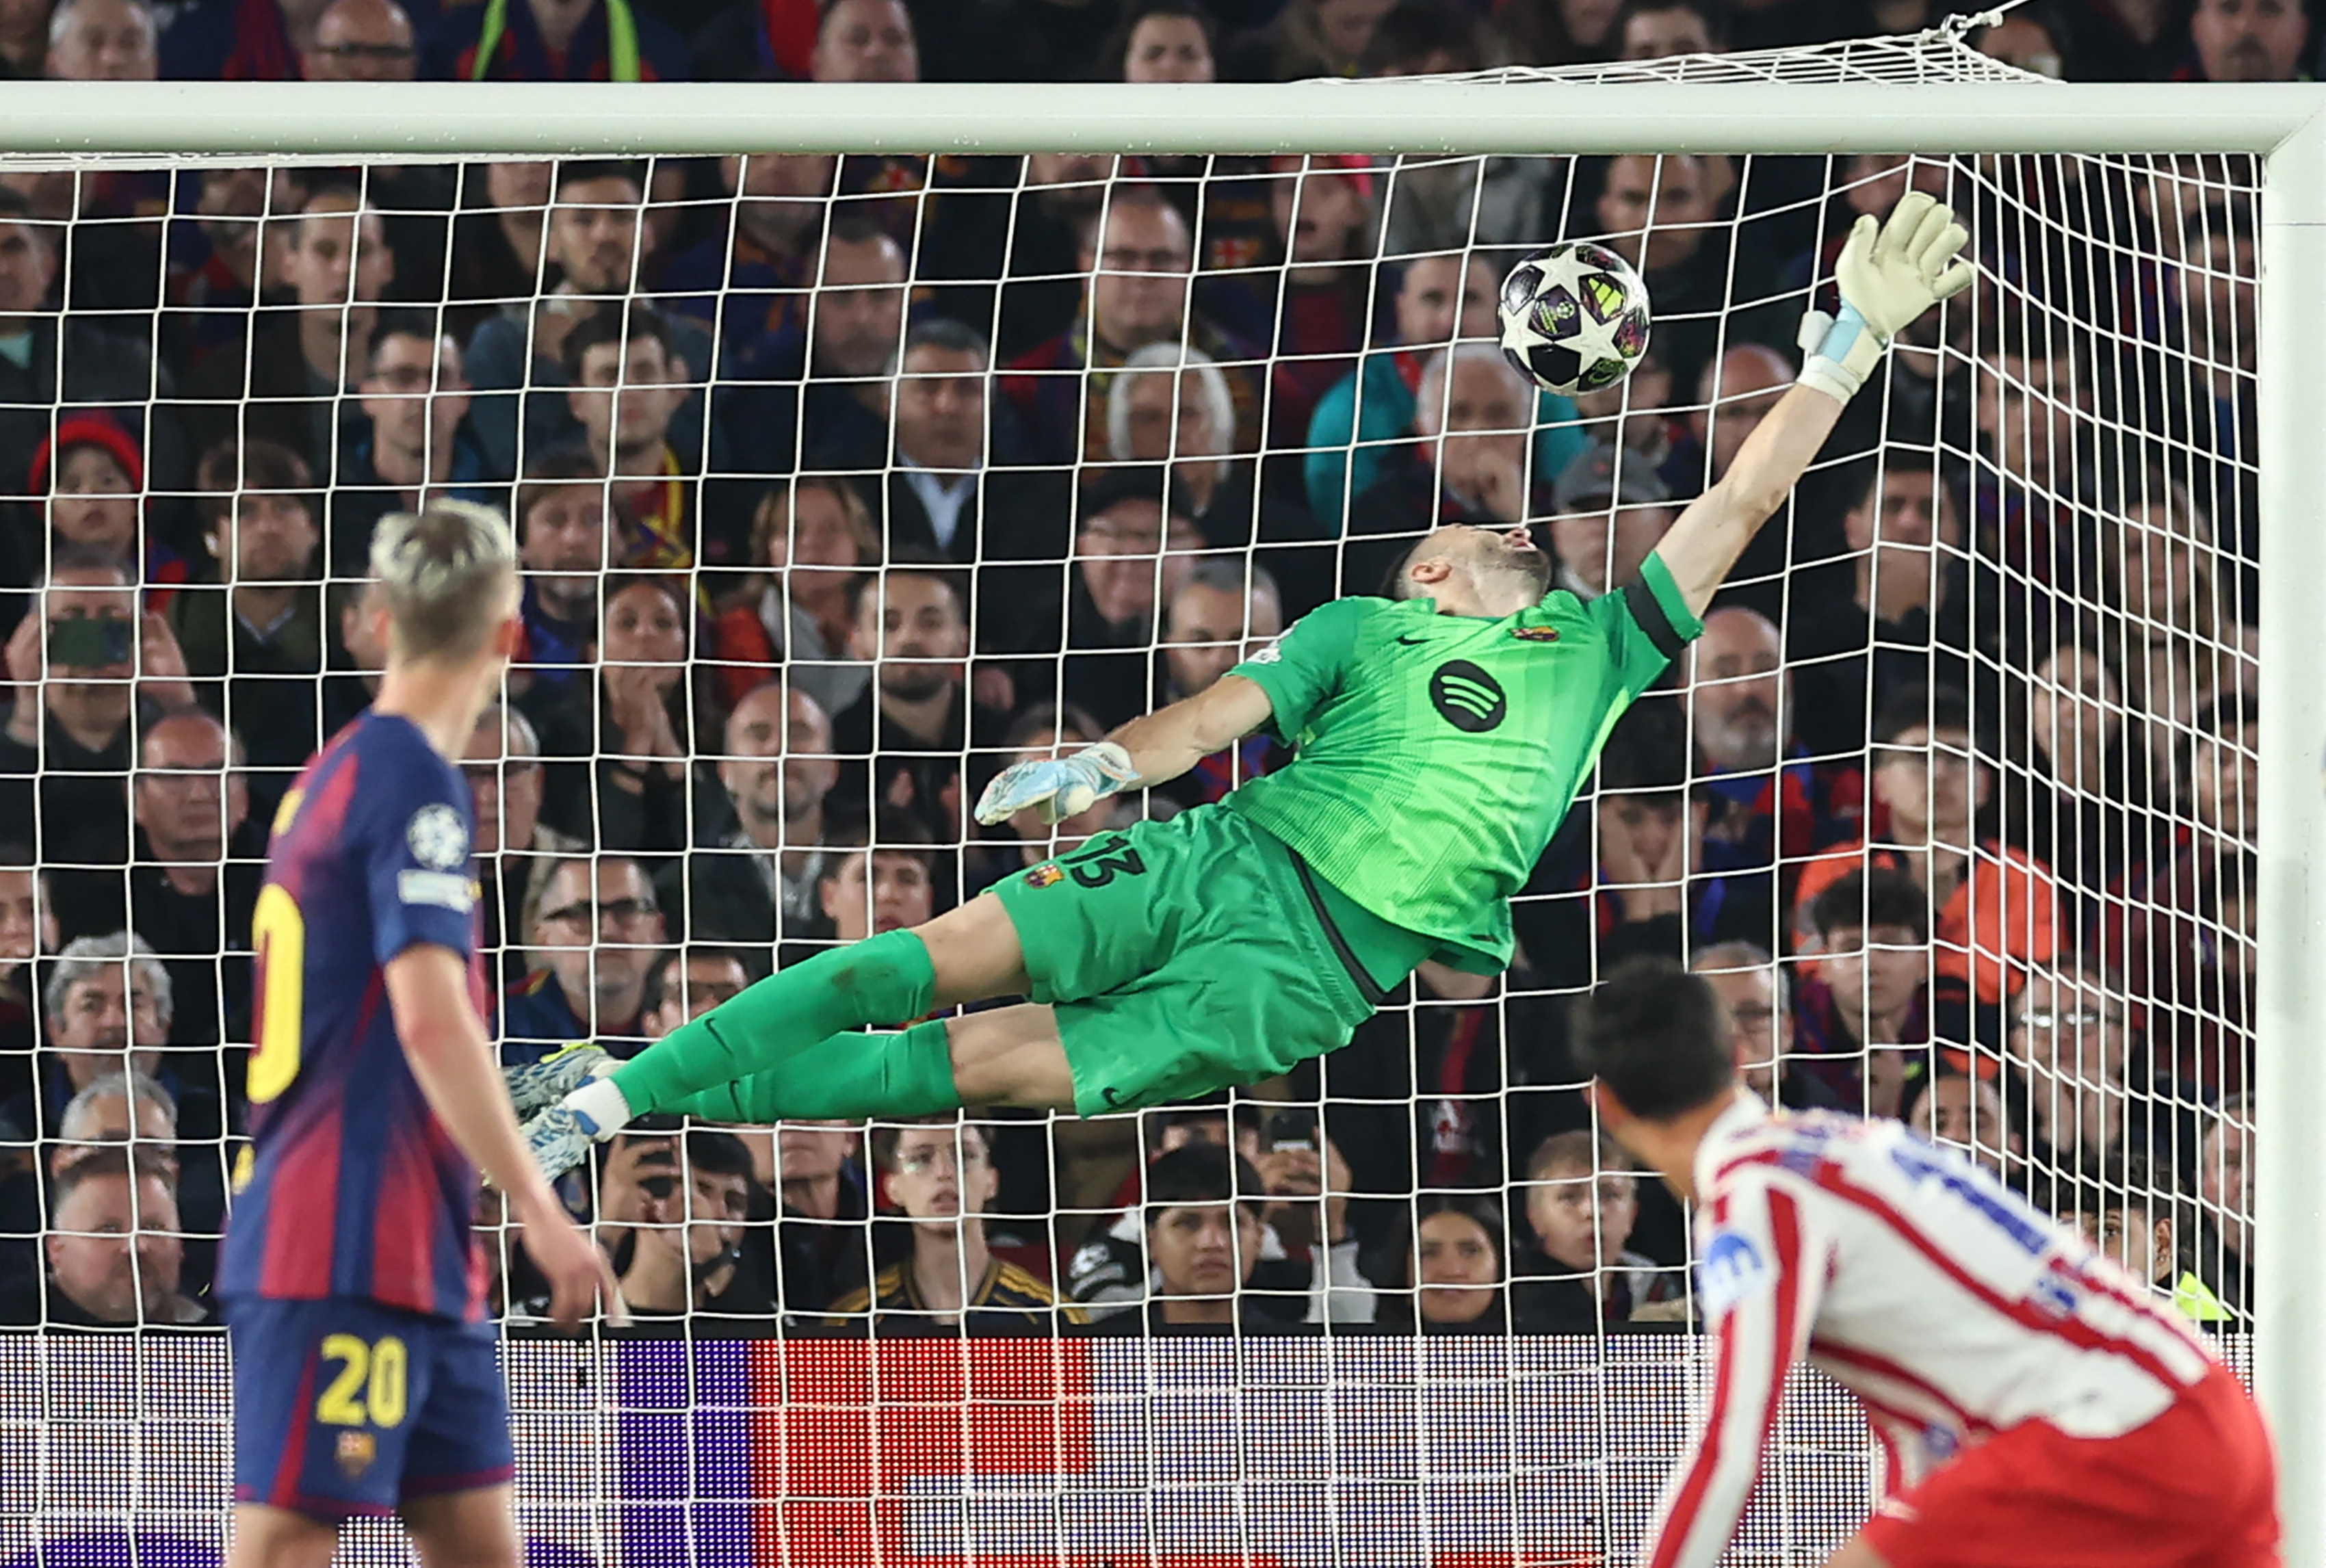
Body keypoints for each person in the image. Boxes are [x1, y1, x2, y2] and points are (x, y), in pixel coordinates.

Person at [508, 194, 1976, 1182]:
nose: (1502, 525)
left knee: (967, 1071)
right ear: (1430, 575)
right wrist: (1106, 767)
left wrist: (1849, 341)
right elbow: (1218, 715)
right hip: (1223, 854)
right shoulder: (1358, 627)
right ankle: (612, 1097)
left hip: (1305, 977)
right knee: (908, 965)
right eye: (1467, 532)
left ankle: (617, 1083)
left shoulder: (1603, 645)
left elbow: (1739, 497)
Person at [1572, 956, 2279, 1568]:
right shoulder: (1853, 1142)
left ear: (1602, 1103)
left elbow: (1732, 1445)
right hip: (2211, 1410)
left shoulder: (1758, 1195)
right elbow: (1922, 1439)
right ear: (1735, 1055)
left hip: (2115, 1435)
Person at [215, 501, 614, 1568]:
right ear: (511, 637)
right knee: (288, 1544)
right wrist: (542, 1208)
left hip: (422, 1244)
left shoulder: (335, 771)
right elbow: (432, 1019)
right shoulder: (413, 782)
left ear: (378, 620)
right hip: (342, 1233)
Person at [826, 1117, 1080, 1334]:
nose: (944, 1172)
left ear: (991, 1181)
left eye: (965, 1155)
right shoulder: (853, 1321)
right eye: (922, 1159)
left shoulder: (1052, 1317)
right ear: (892, 1188)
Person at [0, 1147, 208, 1327]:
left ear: (180, 1244)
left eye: (153, 1228)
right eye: (108, 1230)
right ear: (55, 1249)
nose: (136, 1246)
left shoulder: (216, 1335)